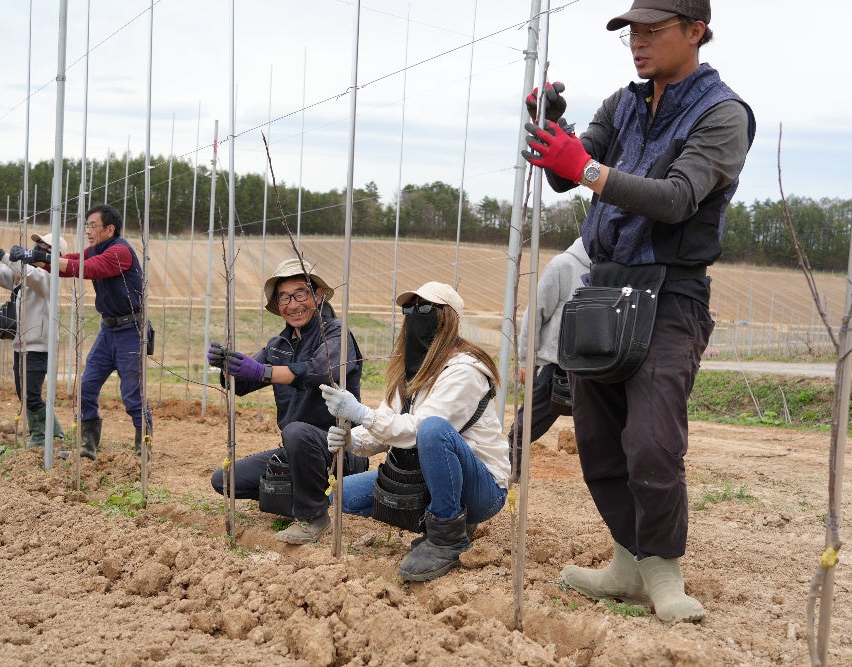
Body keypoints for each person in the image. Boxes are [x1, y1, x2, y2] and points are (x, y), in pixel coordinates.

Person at [521, 0, 755, 624]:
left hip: (671, 291)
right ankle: (627, 559)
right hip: (604, 286)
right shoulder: (622, 104)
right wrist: (552, 134)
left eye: (653, 31)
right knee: (598, 440)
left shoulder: (723, 114)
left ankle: (663, 567)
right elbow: (564, 177)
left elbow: (676, 199)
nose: (637, 43)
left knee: (652, 441)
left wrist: (587, 167)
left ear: (695, 31)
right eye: (632, 32)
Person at [320, 282, 510, 581]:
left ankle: (447, 536)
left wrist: (360, 413)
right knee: (340, 496)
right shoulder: (412, 370)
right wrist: (351, 439)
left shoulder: (465, 371)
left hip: (482, 488)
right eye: (410, 309)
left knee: (433, 430)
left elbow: (418, 431)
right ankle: (448, 519)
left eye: (425, 308)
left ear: (448, 318)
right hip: (428, 476)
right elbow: (386, 424)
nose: (414, 315)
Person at [208, 258, 369, 545]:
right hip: (296, 452)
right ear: (277, 305)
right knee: (224, 480)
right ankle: (306, 491)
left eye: (300, 294)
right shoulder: (277, 346)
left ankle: (313, 516)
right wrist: (227, 366)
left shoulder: (336, 334)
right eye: (284, 297)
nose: (293, 304)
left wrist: (264, 372)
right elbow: (240, 385)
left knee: (295, 430)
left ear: (318, 296)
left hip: (340, 449)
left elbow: (320, 371)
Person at [9, 204, 151, 461]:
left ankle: (143, 446)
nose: (88, 230)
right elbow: (74, 261)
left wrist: (38, 258)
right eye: (87, 225)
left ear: (110, 228)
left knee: (132, 393)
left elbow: (89, 268)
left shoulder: (119, 251)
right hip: (107, 330)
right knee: (86, 387)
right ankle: (88, 446)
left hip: (131, 330)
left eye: (93, 226)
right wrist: (39, 259)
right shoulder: (97, 249)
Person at [507, 237, 590, 454]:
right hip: (553, 365)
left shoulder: (611, 269)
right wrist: (526, 359)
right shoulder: (562, 265)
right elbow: (534, 313)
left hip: (591, 365)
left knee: (600, 429)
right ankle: (509, 469)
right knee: (524, 430)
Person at [0, 231, 69, 449]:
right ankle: (51, 433)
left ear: (56, 254)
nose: (38, 248)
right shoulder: (23, 275)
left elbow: (30, 275)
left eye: (44, 245)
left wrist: (7, 256)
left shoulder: (50, 278)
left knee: (32, 394)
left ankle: (44, 437)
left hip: (38, 346)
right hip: (20, 344)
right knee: (23, 393)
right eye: (38, 244)